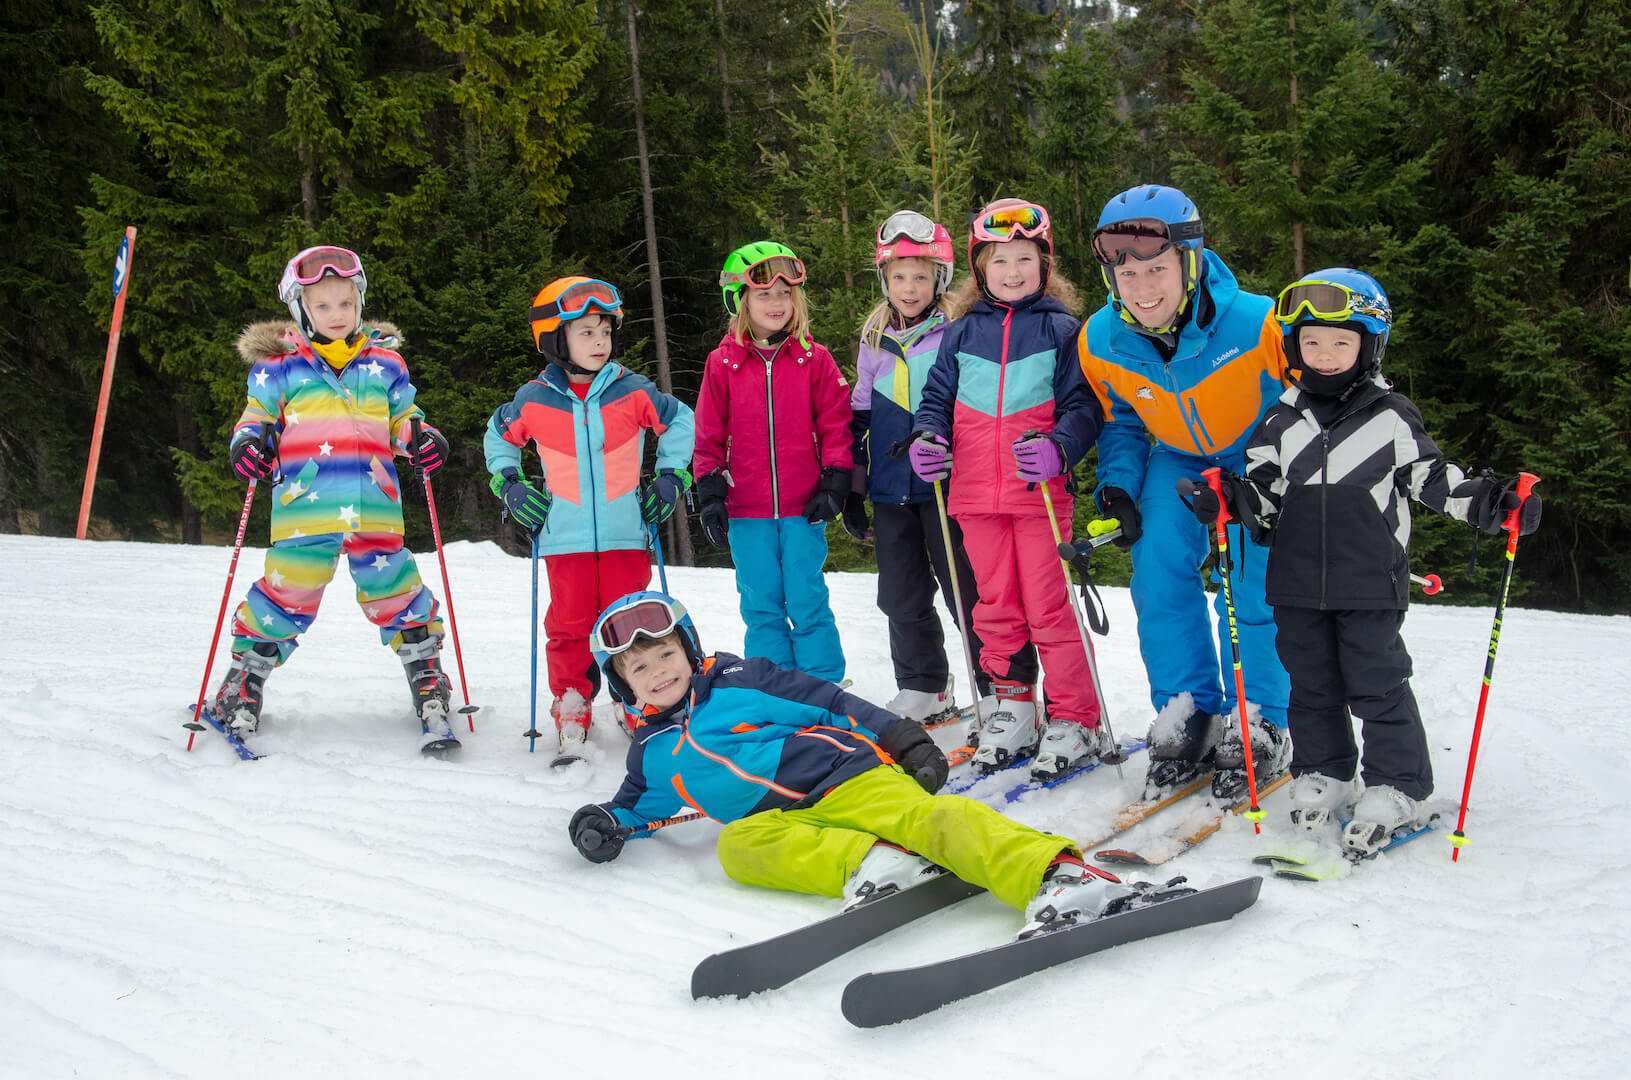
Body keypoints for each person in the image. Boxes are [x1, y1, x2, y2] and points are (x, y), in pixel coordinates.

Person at [568, 591, 1184, 938]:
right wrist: (603, 821)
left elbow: (831, 701)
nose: (659, 673)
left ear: (689, 649)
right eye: (639, 668)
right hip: (779, 821)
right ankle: (879, 865)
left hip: (844, 781)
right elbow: (634, 805)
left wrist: (903, 737)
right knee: (737, 848)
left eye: (666, 655)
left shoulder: (739, 680)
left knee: (930, 820)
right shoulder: (650, 751)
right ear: (623, 687)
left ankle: (1059, 877)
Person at [1197, 268, 1542, 854]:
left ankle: (1397, 784)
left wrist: (1493, 502)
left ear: (1369, 346)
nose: (1325, 355)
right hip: (1297, 584)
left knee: (1377, 683)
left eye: (1341, 342)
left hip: (1370, 583)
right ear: (1294, 349)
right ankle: (1325, 773)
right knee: (1311, 685)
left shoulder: (1391, 416)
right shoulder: (1280, 420)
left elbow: (1433, 480)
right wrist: (1227, 500)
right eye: (1311, 342)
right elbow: (1263, 494)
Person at [1076, 184, 1292, 800]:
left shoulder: (1257, 323)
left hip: (1254, 458)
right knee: (1158, 570)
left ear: (1189, 263)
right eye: (1127, 273)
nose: (1142, 288)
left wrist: (1270, 477)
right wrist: (1118, 487)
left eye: (1157, 269)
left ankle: (1261, 717)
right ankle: (1188, 710)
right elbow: (1120, 421)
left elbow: (1303, 407)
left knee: (1249, 583)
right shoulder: (1102, 339)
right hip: (1176, 458)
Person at [210, 245, 458, 748]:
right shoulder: (279, 368)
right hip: (306, 508)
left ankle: (427, 676)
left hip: (375, 507)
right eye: (322, 306)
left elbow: (403, 418)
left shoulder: (385, 362)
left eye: (346, 303)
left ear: (359, 303)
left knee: (396, 589)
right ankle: (244, 683)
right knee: (287, 593)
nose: (337, 314)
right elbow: (256, 417)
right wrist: (248, 443)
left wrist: (422, 438)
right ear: (301, 310)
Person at [910, 198, 1106, 781]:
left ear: (1045, 265)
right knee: (993, 606)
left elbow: (1084, 407)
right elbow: (936, 400)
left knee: (1048, 607)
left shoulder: (1063, 331)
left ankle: (1075, 717)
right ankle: (1013, 704)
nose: (1013, 271)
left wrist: (1060, 447)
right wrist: (927, 438)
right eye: (999, 260)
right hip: (973, 493)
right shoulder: (959, 333)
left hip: (1037, 493)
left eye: (1025, 258)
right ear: (979, 269)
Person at [484, 277, 695, 753]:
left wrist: (670, 477)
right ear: (555, 340)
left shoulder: (632, 390)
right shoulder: (534, 398)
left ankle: (635, 700)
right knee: (570, 626)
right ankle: (572, 703)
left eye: (604, 331)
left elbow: (680, 419)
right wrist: (510, 484)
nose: (600, 342)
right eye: (586, 333)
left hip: (626, 533)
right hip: (564, 538)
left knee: (632, 622)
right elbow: (499, 435)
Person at [846, 210, 994, 725]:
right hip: (891, 491)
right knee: (900, 594)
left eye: (921, 277)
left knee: (966, 589)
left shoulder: (956, 332)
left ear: (940, 280)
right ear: (884, 280)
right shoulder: (874, 339)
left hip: (946, 486)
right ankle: (923, 685)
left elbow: (973, 406)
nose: (909, 288)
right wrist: (854, 487)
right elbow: (860, 417)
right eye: (899, 277)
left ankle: (996, 684)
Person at [691, 241, 853, 682]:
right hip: (746, 509)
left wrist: (835, 480)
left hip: (804, 506)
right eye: (764, 294)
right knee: (760, 601)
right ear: (740, 300)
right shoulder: (722, 364)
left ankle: (822, 683)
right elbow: (707, 433)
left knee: (806, 597)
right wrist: (710, 491)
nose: (776, 303)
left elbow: (836, 424)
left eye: (785, 294)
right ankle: (772, 683)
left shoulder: (814, 360)